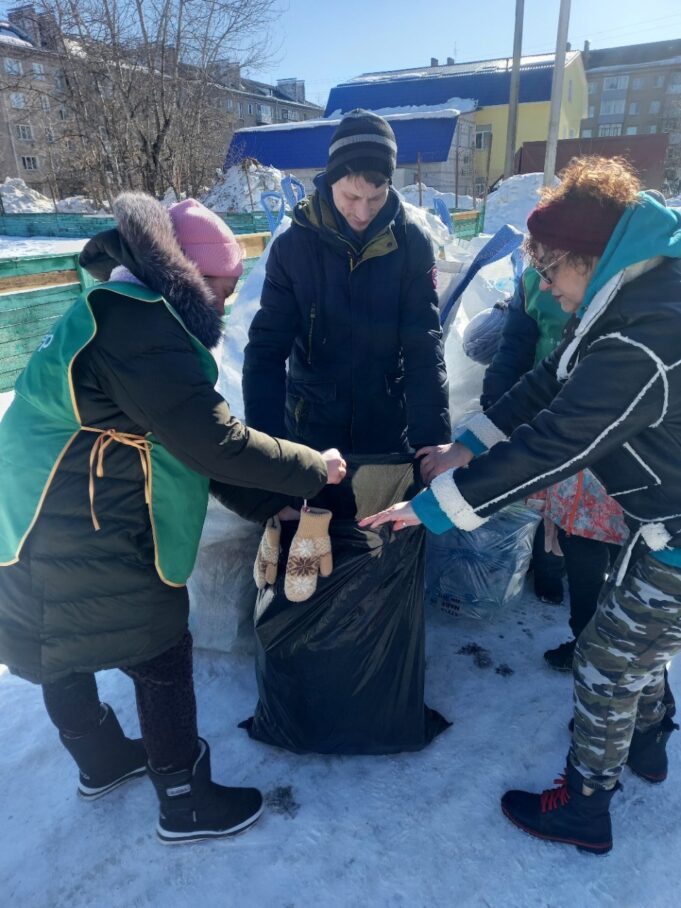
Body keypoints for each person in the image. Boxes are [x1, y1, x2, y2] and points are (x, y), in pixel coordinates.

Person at [0, 193, 346, 845]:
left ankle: (100, 760)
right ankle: (185, 800)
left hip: (32, 511)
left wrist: (264, 500)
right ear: (187, 273)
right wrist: (309, 469)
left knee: (56, 643)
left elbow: (179, 443)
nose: (223, 303)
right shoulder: (140, 324)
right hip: (77, 515)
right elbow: (210, 439)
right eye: (221, 287)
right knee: (157, 648)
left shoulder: (112, 309)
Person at [361, 156, 681, 854]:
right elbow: (549, 381)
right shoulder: (629, 293)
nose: (543, 287)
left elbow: (555, 443)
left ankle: (584, 810)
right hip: (659, 519)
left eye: (550, 271)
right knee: (636, 638)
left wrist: (433, 506)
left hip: (676, 532)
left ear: (587, 259)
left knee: (604, 659)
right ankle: (650, 737)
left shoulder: (638, 337)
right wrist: (465, 445)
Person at [242, 108, 451, 458]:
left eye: (375, 196)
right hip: (311, 437)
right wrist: (271, 457)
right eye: (351, 197)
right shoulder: (293, 249)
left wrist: (431, 441)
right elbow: (266, 352)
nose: (363, 212)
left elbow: (423, 344)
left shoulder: (411, 243)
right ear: (331, 181)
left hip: (386, 433)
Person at [480, 265, 628, 669]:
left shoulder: (635, 279)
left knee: (619, 549)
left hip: (616, 433)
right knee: (572, 531)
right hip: (558, 426)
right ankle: (588, 643)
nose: (545, 282)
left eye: (550, 264)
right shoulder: (533, 282)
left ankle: (611, 664)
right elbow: (517, 349)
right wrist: (495, 408)